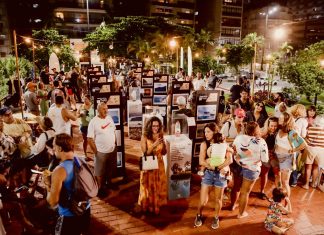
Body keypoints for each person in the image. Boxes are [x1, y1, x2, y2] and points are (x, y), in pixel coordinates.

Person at [44, 133, 90, 235]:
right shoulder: (82, 161)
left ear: (60, 148)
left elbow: (52, 202)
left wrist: (48, 184)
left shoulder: (59, 170)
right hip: (85, 209)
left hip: (69, 216)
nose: (54, 149)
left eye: (54, 146)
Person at [194, 125, 233, 230]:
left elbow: (229, 160)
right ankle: (198, 215)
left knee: (218, 200)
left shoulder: (224, 142)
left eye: (208, 132)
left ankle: (216, 217)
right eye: (205, 132)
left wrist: (219, 167)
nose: (206, 134)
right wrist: (212, 166)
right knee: (203, 201)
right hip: (209, 173)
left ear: (215, 132)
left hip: (221, 175)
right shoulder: (204, 144)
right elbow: (201, 161)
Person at [233, 121, 269, 218]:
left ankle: (233, 205)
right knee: (245, 192)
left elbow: (234, 149)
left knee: (236, 188)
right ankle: (241, 214)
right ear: (257, 130)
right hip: (252, 169)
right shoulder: (261, 141)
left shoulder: (239, 137)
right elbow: (265, 159)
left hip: (238, 166)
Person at [137, 116, 167, 215]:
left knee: (158, 186)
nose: (156, 128)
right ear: (150, 126)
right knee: (148, 187)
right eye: (154, 126)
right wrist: (154, 145)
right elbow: (145, 153)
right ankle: (148, 206)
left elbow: (164, 152)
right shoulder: (144, 136)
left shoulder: (160, 135)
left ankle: (156, 206)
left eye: (157, 126)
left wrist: (164, 145)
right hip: (149, 164)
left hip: (159, 165)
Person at [87, 102, 116, 198]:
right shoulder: (93, 122)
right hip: (101, 152)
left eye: (107, 109)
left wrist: (114, 143)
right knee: (99, 172)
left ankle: (109, 183)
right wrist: (96, 152)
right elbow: (89, 139)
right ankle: (100, 188)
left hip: (112, 150)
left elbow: (114, 131)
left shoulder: (109, 118)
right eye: (104, 109)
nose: (106, 111)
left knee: (110, 169)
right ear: (98, 110)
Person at [274, 112, 306, 197]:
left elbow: (303, 145)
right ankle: (278, 199)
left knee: (285, 182)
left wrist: (293, 150)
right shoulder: (280, 129)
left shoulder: (292, 133)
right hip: (277, 157)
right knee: (277, 177)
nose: (279, 119)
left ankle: (286, 203)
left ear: (287, 120)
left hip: (287, 159)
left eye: (281, 118)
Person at [302, 115, 324, 189]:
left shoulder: (310, 129)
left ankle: (306, 184)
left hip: (310, 149)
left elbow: (306, 139)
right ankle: (313, 184)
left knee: (308, 167)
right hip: (321, 150)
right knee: (316, 167)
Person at [260, 117, 280, 199]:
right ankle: (262, 191)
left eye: (275, 126)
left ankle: (278, 194)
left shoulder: (279, 133)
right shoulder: (263, 132)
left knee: (277, 175)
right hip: (266, 156)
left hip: (275, 156)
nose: (273, 128)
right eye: (271, 126)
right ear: (268, 125)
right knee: (264, 173)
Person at [77, 95, 93, 159]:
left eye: (86, 99)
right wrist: (80, 115)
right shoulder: (81, 106)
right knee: (85, 140)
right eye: (84, 99)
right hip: (83, 125)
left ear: (89, 100)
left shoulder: (93, 106)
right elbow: (77, 115)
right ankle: (85, 153)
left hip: (91, 126)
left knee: (92, 140)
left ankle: (95, 153)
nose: (84, 100)